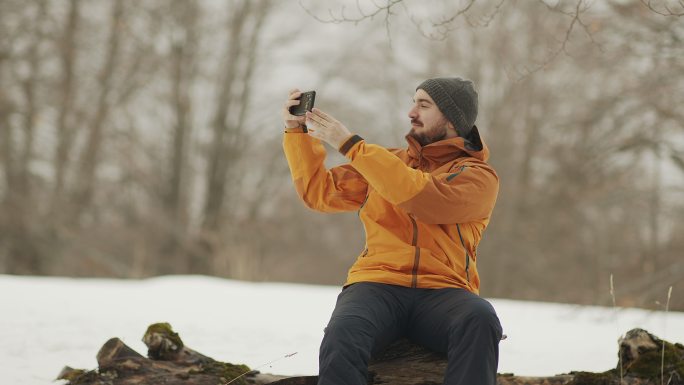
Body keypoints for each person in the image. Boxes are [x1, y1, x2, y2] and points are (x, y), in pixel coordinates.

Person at [281, 77, 503, 385]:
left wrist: (351, 144)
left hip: (445, 291)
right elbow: (320, 192)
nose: (412, 112)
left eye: (423, 105)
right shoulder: (386, 162)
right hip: (376, 285)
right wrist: (297, 132)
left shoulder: (477, 176)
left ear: (452, 119)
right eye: (413, 102)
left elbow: (425, 200)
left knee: (480, 318)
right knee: (343, 330)